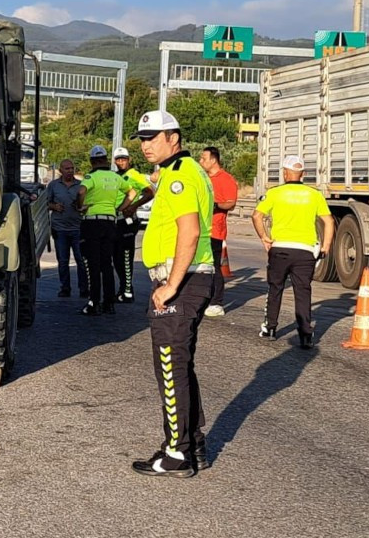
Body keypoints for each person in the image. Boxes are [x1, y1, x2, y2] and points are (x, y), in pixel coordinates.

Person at [130, 109, 215, 478]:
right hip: (190, 279)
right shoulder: (181, 173)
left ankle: (177, 453)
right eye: (143, 139)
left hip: (182, 281)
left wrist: (170, 286)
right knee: (180, 366)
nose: (146, 145)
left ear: (174, 138)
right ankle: (191, 444)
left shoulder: (180, 176)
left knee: (169, 367)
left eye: (153, 137)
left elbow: (190, 231)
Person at [251, 155, 334, 349]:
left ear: (285, 173)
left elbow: (256, 215)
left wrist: (264, 237)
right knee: (302, 291)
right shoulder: (314, 194)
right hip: (305, 251)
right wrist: (326, 246)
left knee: (275, 287)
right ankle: (305, 334)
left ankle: (270, 327)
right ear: (303, 174)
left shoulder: (275, 193)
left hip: (280, 248)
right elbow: (329, 221)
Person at [75, 145, 133, 316]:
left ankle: (94, 303)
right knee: (107, 264)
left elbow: (80, 191)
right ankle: (109, 303)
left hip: (92, 223)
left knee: (93, 264)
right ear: (106, 160)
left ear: (92, 161)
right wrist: (121, 208)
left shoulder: (91, 177)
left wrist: (80, 206)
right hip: (110, 223)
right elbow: (132, 191)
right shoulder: (115, 177)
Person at [112, 147, 155, 303]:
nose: (121, 162)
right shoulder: (117, 176)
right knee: (116, 257)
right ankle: (122, 288)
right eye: (119, 159)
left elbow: (150, 192)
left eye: (124, 159)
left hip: (128, 221)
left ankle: (128, 291)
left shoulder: (134, 175)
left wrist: (134, 206)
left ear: (129, 159)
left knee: (125, 256)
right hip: (116, 220)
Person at [200, 147, 238, 317]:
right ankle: (202, 298)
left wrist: (215, 205)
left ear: (213, 160)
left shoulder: (226, 179)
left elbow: (231, 202)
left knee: (214, 267)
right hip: (200, 230)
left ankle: (217, 302)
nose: (201, 162)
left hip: (215, 230)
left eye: (203, 158)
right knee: (200, 267)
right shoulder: (204, 178)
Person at [44, 159, 88, 300]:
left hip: (78, 228)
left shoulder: (80, 185)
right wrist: (54, 207)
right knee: (63, 261)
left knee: (81, 260)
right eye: (67, 168)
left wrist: (83, 207)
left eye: (72, 168)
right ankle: (65, 288)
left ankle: (84, 289)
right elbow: (45, 203)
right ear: (60, 171)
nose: (70, 171)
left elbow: (87, 203)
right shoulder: (53, 185)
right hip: (60, 229)